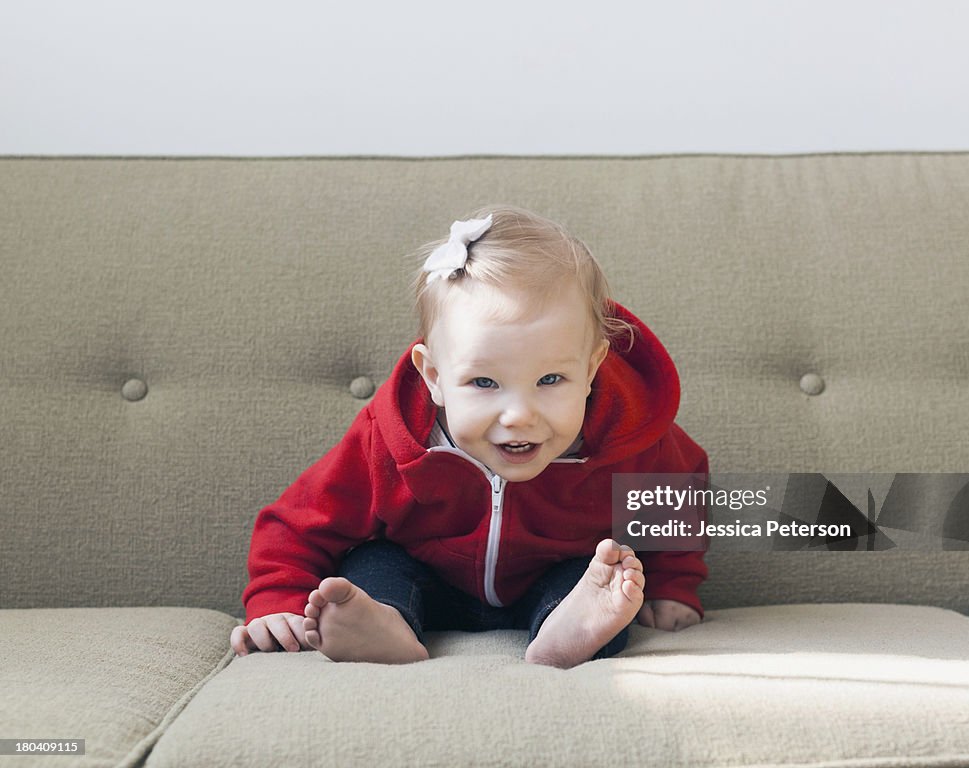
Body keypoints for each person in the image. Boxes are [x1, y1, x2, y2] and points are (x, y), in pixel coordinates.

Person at [231, 205, 707, 668]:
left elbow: (681, 495)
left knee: (606, 578)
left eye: (550, 381)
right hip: (426, 580)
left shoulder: (631, 437)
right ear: (434, 376)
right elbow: (298, 520)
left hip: (554, 579)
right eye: (484, 383)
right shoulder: (394, 438)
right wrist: (277, 596)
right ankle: (385, 626)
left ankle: (566, 634)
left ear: (591, 369)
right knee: (373, 566)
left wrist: (672, 585)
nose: (518, 415)